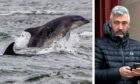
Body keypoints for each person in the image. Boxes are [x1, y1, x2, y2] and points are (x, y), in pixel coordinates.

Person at [95, 5, 140, 84]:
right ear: (110, 24)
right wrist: (118, 73)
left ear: (129, 24)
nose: (120, 27)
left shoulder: (137, 46)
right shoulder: (98, 45)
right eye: (116, 22)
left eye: (124, 23)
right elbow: (94, 74)